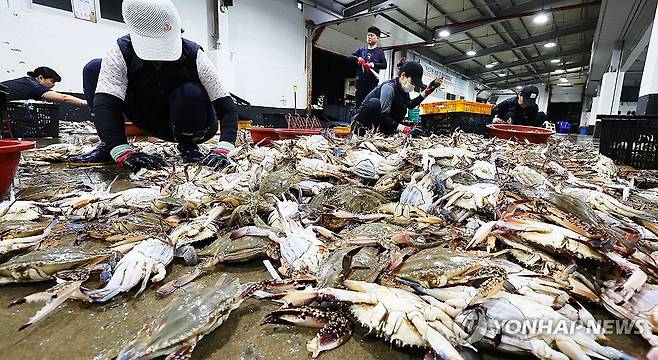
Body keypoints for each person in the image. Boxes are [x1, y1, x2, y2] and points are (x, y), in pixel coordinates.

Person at [68, 0, 238, 172]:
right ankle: (109, 144)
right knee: (94, 69)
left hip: (192, 125)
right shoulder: (121, 52)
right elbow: (107, 104)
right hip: (149, 118)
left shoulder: (194, 56)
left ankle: (189, 145)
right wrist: (120, 150)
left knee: (190, 91)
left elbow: (228, 108)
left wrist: (223, 149)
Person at [351, 61, 441, 137]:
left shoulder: (402, 91)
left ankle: (385, 134)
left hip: (377, 122)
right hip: (362, 121)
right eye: (412, 82)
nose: (413, 86)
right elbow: (382, 114)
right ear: (403, 75)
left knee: (402, 109)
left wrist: (429, 89)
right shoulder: (389, 88)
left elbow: (410, 105)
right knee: (374, 103)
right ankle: (360, 132)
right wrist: (404, 129)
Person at [1, 67, 87, 107]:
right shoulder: (34, 87)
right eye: (52, 81)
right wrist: (84, 102)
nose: (53, 85)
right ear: (41, 78)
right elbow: (64, 98)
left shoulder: (26, 81)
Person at [348, 26, 387, 107]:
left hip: (372, 83)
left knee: (369, 104)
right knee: (359, 104)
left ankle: (368, 119)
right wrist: (358, 58)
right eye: (368, 35)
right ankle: (357, 119)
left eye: (372, 35)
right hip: (360, 81)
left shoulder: (380, 52)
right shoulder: (361, 50)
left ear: (377, 38)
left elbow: (384, 65)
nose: (369, 37)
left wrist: (373, 64)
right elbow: (349, 57)